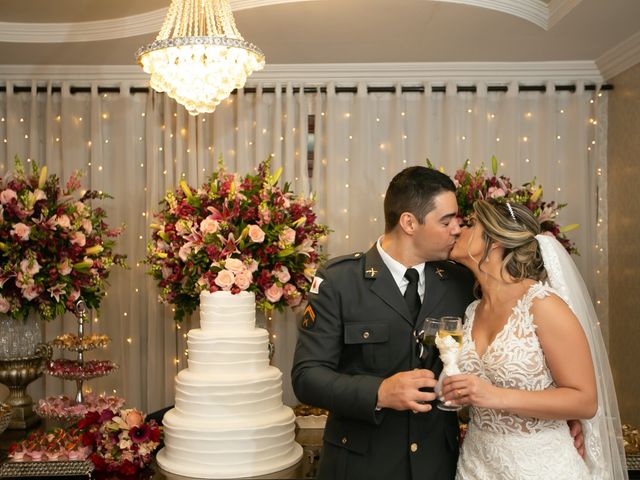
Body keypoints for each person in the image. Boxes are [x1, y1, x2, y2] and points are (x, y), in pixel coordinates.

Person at [292, 166, 476, 480]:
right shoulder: (339, 281)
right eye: (446, 221)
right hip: (361, 465)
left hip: (437, 464)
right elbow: (307, 377)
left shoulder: (459, 281)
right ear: (409, 222)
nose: (457, 229)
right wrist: (379, 392)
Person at [441, 199, 628, 479]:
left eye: (470, 224)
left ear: (493, 242)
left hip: (540, 466)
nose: (458, 229)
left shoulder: (543, 305)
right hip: (476, 465)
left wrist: (494, 396)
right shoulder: (471, 310)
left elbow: (585, 401)